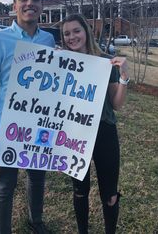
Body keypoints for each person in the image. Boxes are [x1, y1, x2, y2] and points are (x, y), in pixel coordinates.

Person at [0, 0, 55, 234]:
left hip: (39, 126)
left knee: (37, 179)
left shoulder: (49, 40)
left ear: (42, 5)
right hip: (6, 126)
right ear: (15, 5)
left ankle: (36, 222)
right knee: (5, 186)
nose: (30, 3)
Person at [60, 14, 129, 234]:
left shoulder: (105, 62)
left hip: (104, 132)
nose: (72, 37)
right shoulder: (60, 63)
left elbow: (116, 104)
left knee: (109, 194)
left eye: (76, 31)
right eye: (67, 33)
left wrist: (124, 78)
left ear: (87, 31)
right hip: (74, 133)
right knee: (79, 190)